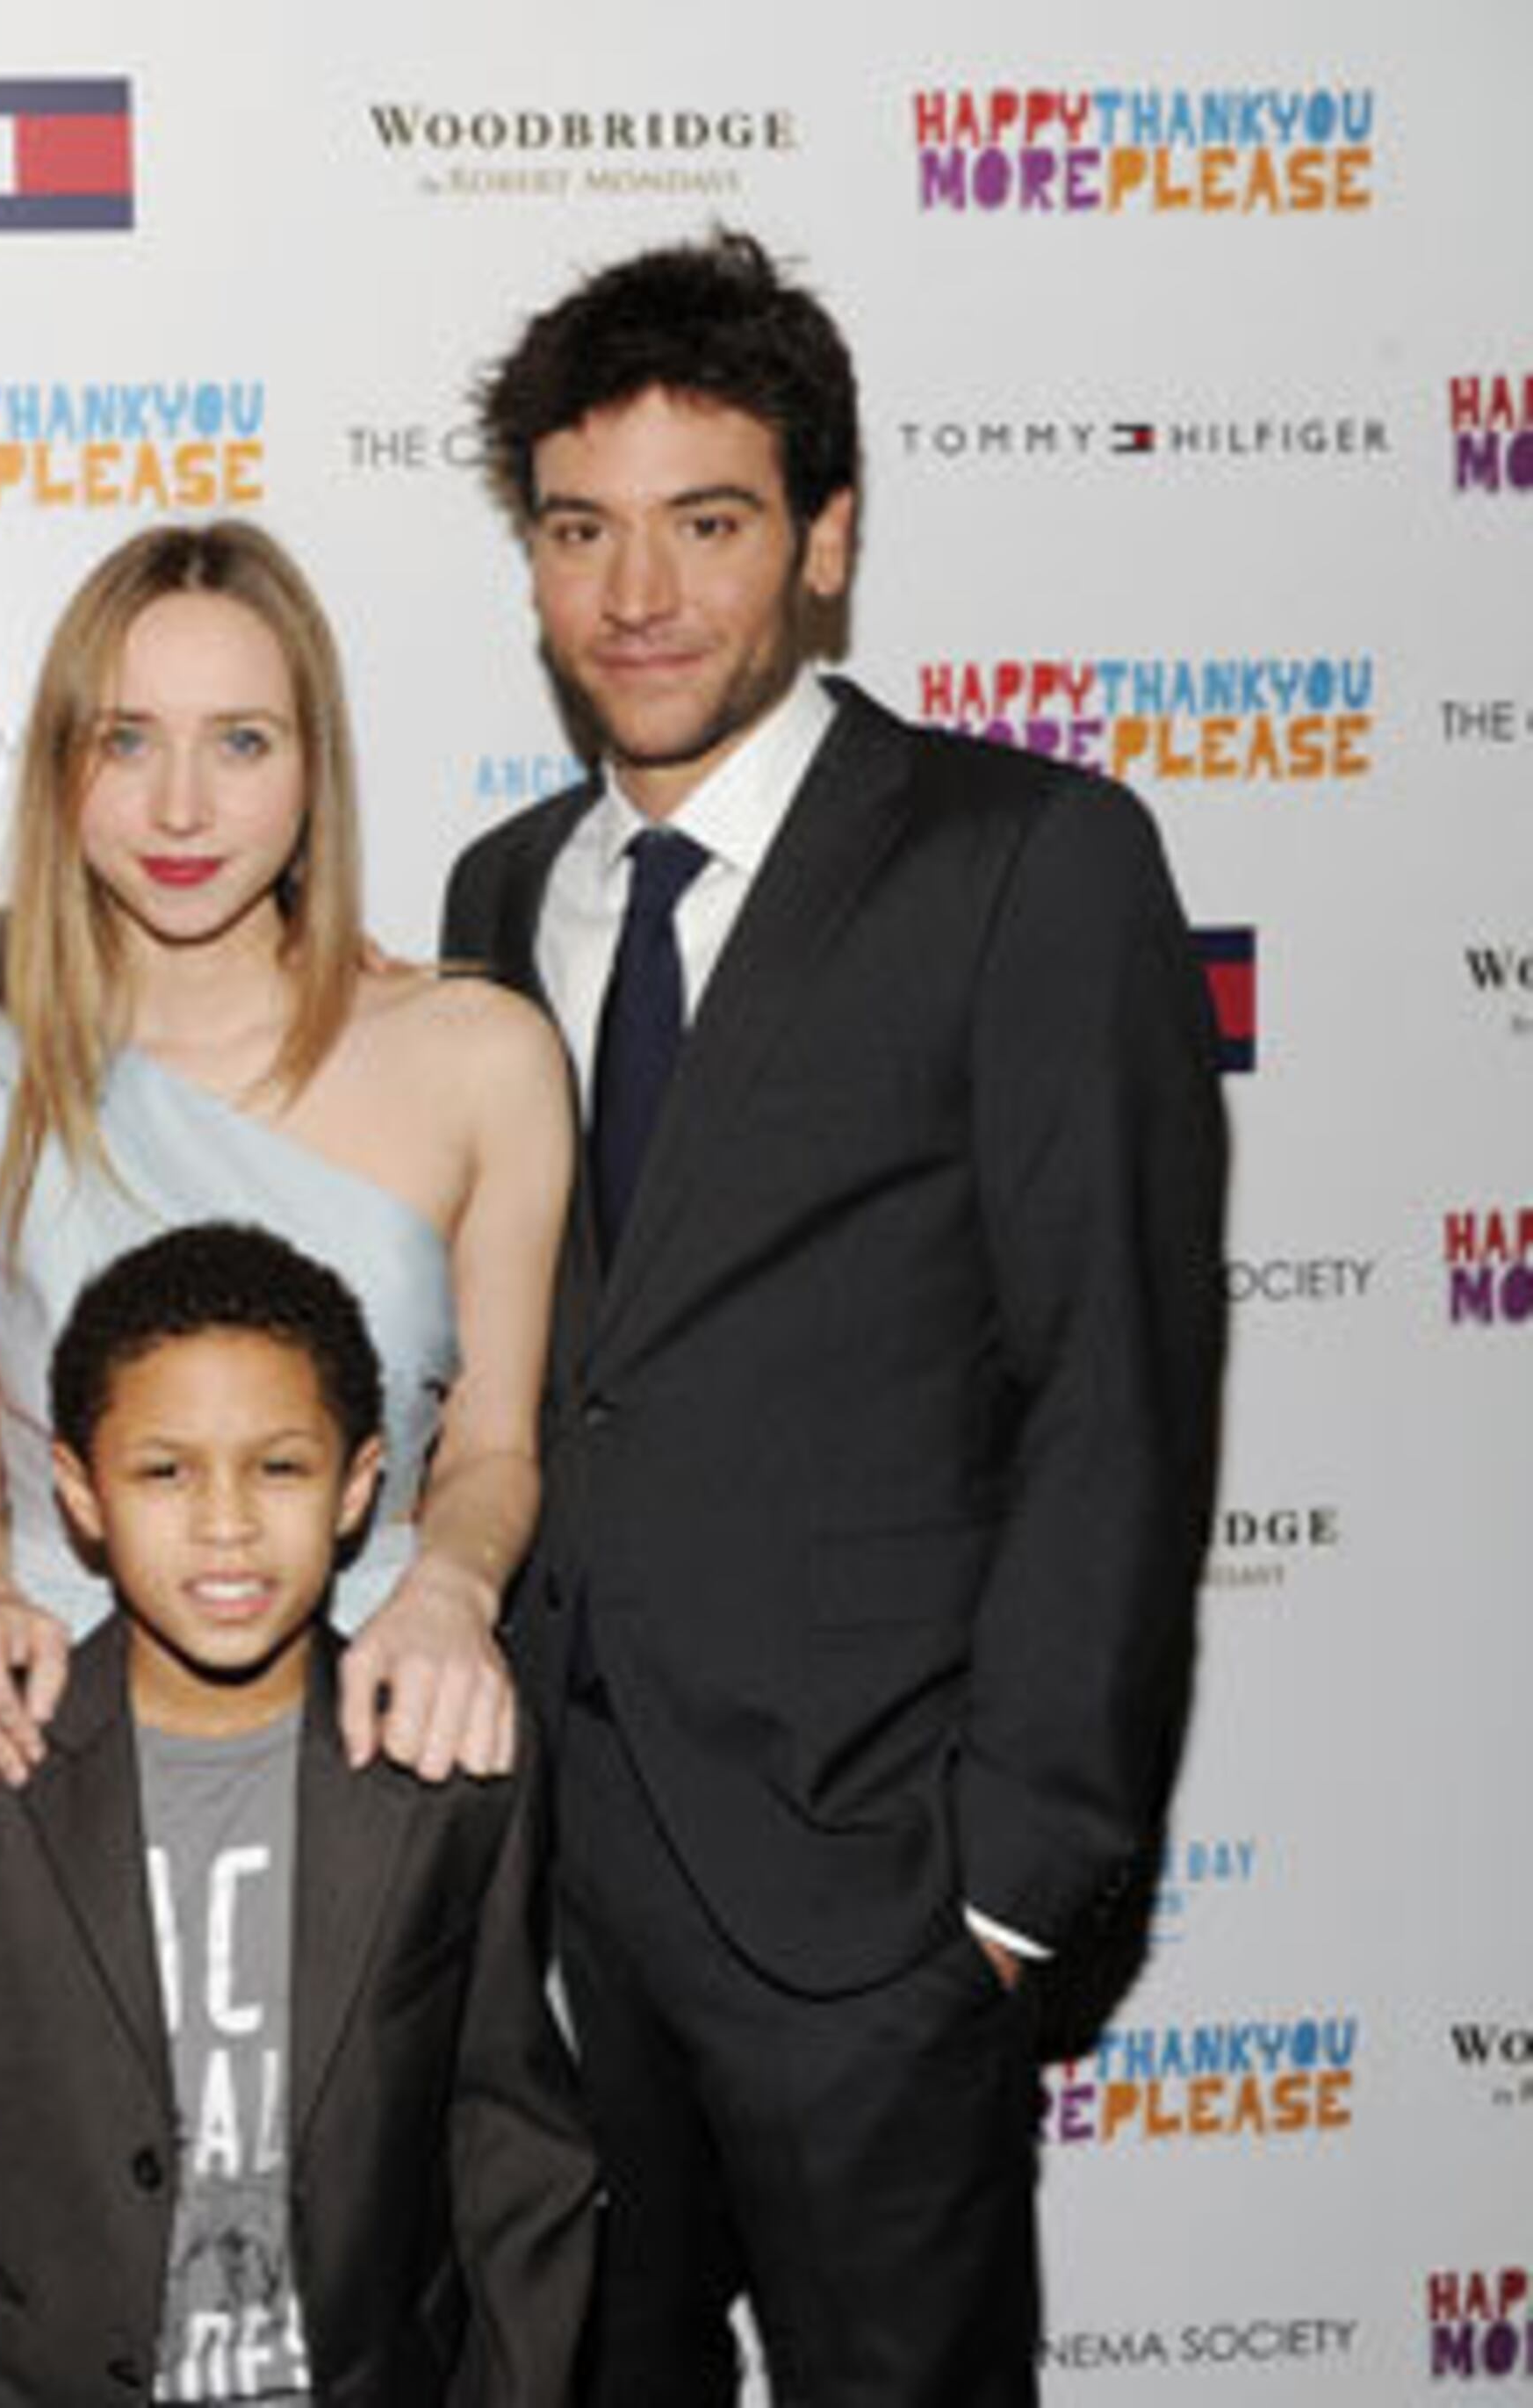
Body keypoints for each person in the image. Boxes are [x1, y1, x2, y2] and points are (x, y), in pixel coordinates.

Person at [440, 228, 1228, 2404]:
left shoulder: (1026, 857)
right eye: (582, 533)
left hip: (880, 1892)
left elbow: (1117, 1389)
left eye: (709, 525)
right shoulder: (500, 894)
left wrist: (1015, 1878)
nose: (640, 595)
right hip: (564, 1886)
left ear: (828, 540)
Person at [0, 1221, 595, 2404]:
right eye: (165, 1470)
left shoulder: (446, 1765)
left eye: (279, 1465)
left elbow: (513, 2150)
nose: (226, 1521)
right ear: (81, 1490)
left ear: (359, 1484)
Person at [0, 521, 572, 1792]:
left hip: (385, 1716)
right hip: (52, 1737)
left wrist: (453, 1592)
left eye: (241, 741)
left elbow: (495, 1450)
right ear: (58, 767)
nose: (180, 805)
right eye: (125, 740)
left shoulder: (483, 1059)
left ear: (315, 769)